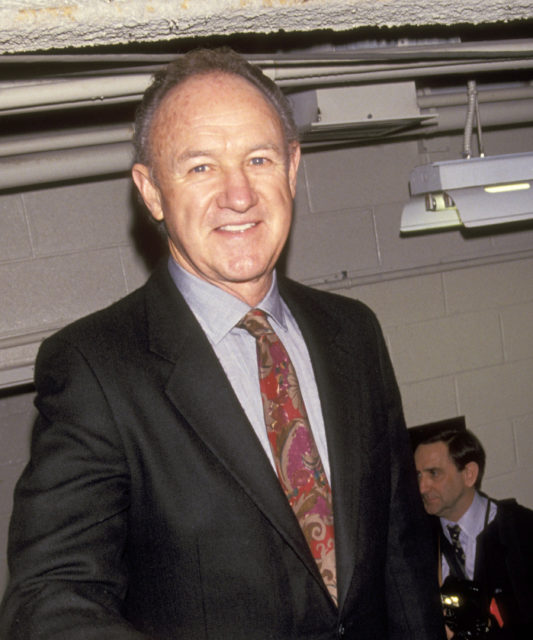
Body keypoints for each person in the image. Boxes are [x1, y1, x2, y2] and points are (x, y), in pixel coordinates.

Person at [0, 47, 445, 639]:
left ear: (291, 169)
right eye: (201, 167)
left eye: (258, 159)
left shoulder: (354, 331)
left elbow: (400, 548)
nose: (239, 195)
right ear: (152, 191)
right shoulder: (95, 368)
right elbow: (48, 599)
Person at [414, 427, 533, 638]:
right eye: (418, 475)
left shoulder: (521, 529)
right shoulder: (415, 543)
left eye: (434, 473)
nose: (422, 487)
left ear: (469, 474)